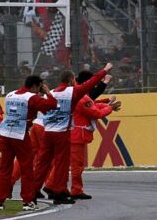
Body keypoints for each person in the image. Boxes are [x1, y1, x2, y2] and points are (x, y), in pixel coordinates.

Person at [33, 63, 112, 205]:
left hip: (47, 131)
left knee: (42, 164)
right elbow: (91, 83)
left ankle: (32, 191)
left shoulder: (51, 93)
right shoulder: (73, 92)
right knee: (62, 165)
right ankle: (59, 192)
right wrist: (104, 71)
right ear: (71, 81)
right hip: (62, 132)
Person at [0, 75, 58, 212]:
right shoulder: (31, 97)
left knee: (5, 169)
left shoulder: (11, 94)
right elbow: (52, 105)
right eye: (39, 88)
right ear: (35, 86)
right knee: (27, 169)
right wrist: (47, 92)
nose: (39, 91)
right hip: (20, 134)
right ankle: (27, 201)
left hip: (5, 132)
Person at [69, 72, 119, 200]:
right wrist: (109, 108)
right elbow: (95, 112)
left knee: (64, 164)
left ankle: (55, 187)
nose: (93, 86)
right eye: (92, 83)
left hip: (71, 134)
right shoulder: (81, 96)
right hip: (76, 136)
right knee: (76, 165)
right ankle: (75, 190)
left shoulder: (78, 95)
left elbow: (93, 104)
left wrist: (108, 105)